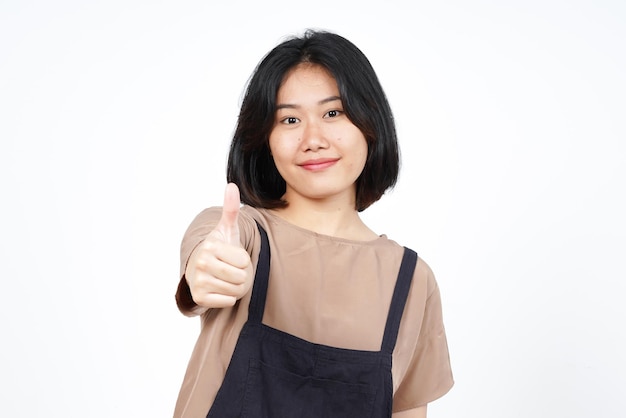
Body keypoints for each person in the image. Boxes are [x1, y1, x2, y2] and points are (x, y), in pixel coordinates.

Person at [174, 29, 453, 418]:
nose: (313, 138)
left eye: (333, 113)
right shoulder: (248, 236)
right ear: (264, 140)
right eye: (289, 119)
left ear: (370, 124)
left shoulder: (412, 281)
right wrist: (206, 268)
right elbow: (210, 246)